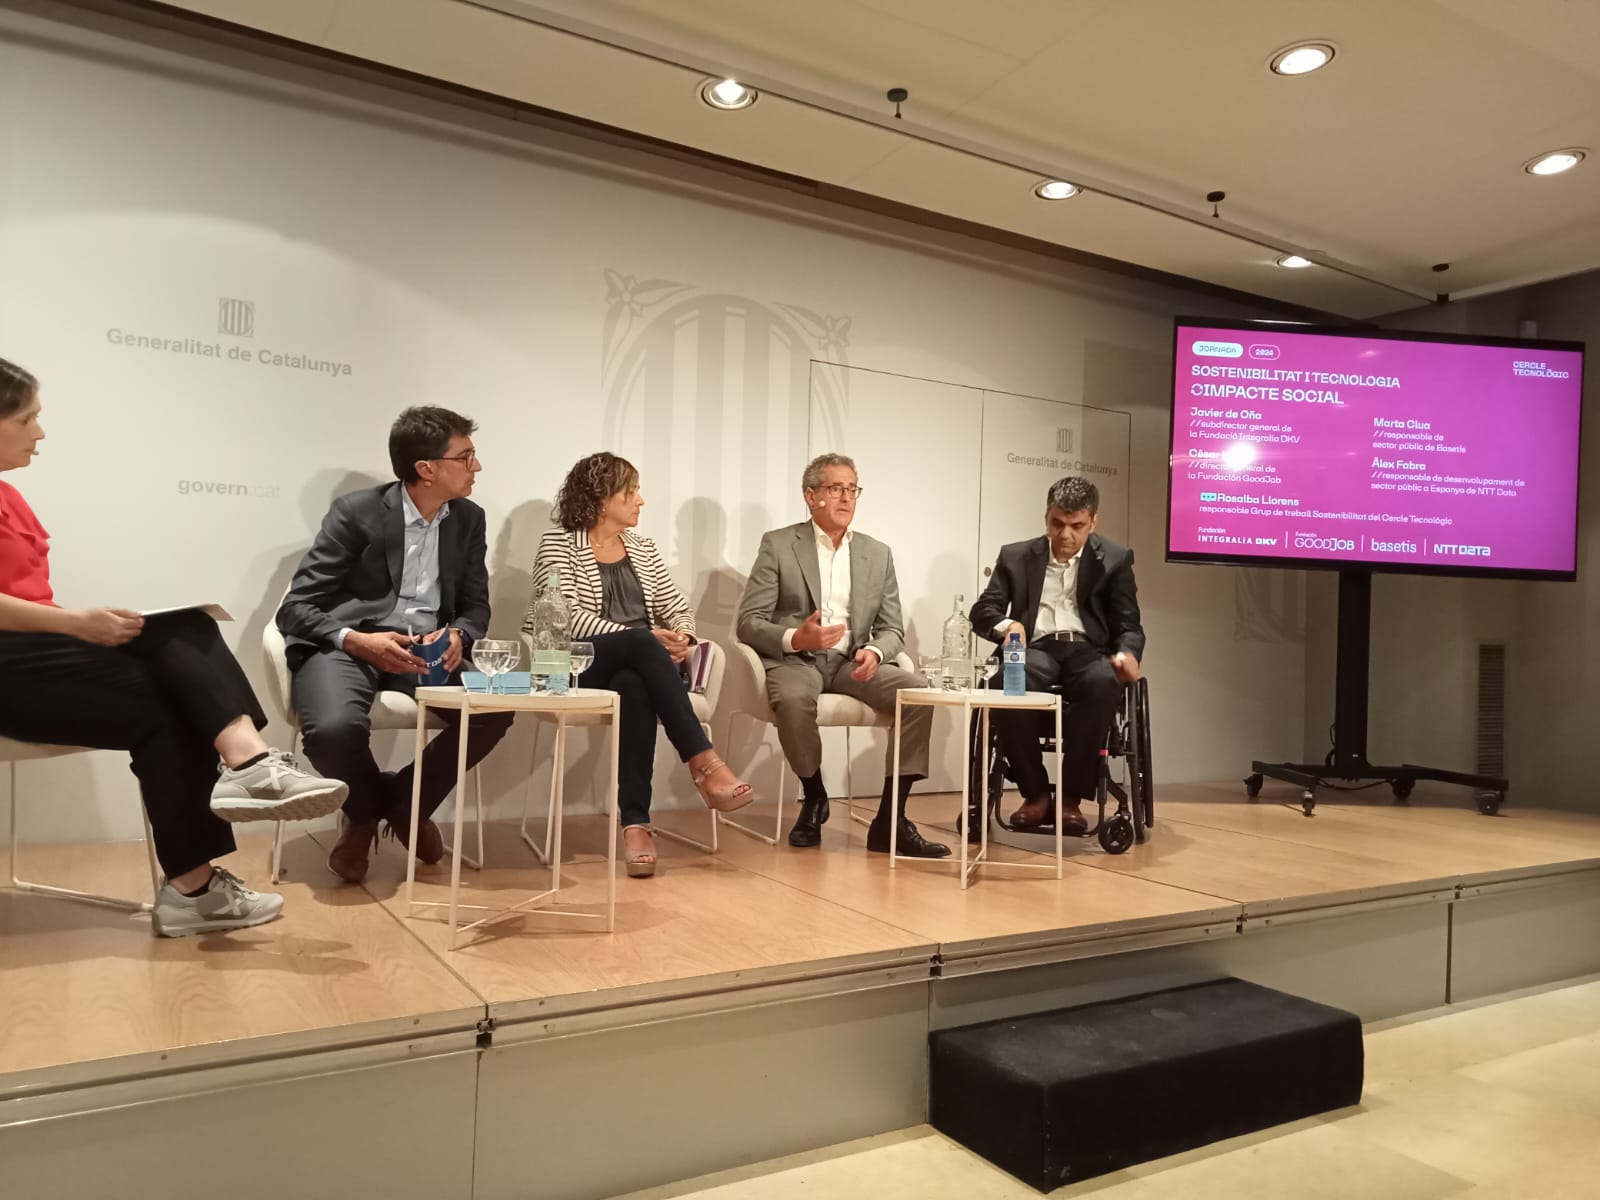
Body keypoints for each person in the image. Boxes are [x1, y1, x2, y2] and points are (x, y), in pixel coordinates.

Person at [0, 357, 347, 937]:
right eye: (28, 418)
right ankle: (251, 768)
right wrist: (76, 626)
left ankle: (193, 888)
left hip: (37, 656)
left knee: (179, 677)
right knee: (180, 650)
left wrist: (86, 626)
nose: (41, 432)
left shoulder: (11, 497)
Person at [278, 406, 512, 884]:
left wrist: (459, 634)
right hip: (351, 646)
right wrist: (357, 640)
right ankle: (365, 813)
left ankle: (406, 805)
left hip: (426, 650)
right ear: (427, 469)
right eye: (466, 457)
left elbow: (476, 606)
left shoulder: (468, 519)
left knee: (498, 708)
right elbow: (296, 607)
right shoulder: (356, 513)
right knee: (333, 729)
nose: (477, 468)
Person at [531, 453, 752, 877]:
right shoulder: (558, 543)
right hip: (579, 662)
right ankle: (704, 763)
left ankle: (636, 825)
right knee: (636, 641)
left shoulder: (642, 548)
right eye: (630, 492)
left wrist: (683, 637)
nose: (641, 501)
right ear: (600, 499)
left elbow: (676, 606)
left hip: (638, 667)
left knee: (634, 683)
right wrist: (648, 639)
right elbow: (567, 614)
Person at [737, 453, 948, 858]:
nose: (846, 498)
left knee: (918, 693)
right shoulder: (780, 545)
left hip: (852, 663)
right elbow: (749, 622)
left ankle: (891, 820)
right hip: (797, 660)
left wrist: (873, 650)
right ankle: (814, 796)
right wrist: (796, 638)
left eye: (853, 489)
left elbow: (892, 629)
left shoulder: (877, 553)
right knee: (795, 700)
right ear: (810, 495)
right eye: (836, 488)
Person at [970, 475, 1144, 835]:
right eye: (1057, 524)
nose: (1066, 535)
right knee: (1007, 682)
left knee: (1101, 682)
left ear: (1093, 522)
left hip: (1089, 649)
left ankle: (1070, 799)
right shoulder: (1016, 556)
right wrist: (1007, 626)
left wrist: (1128, 654)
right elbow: (983, 611)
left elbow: (1128, 625)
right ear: (1046, 516)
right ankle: (1035, 795)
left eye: (1077, 526)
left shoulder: (1114, 560)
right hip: (1037, 648)